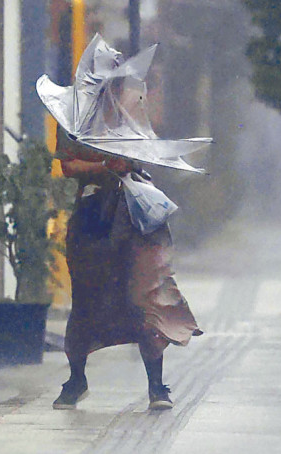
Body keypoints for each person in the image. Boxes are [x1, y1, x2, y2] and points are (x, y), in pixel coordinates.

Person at [52, 127, 202, 410]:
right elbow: (69, 166)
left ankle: (156, 386)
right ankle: (76, 380)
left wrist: (130, 162)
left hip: (136, 213)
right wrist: (106, 165)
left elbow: (147, 151)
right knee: (86, 298)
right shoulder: (73, 116)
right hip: (93, 214)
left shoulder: (128, 107)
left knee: (145, 294)